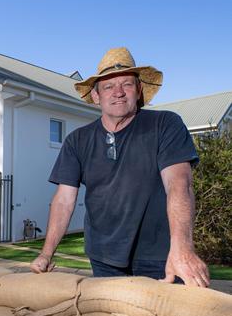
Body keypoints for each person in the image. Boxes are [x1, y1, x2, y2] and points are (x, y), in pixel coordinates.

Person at [30, 48, 210, 288]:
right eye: (108, 86)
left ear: (138, 91)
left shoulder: (165, 125)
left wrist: (182, 249)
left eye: (126, 84)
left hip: (160, 255)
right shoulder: (77, 140)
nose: (118, 92)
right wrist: (46, 254)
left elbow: (179, 184)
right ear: (96, 96)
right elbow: (64, 200)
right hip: (103, 257)